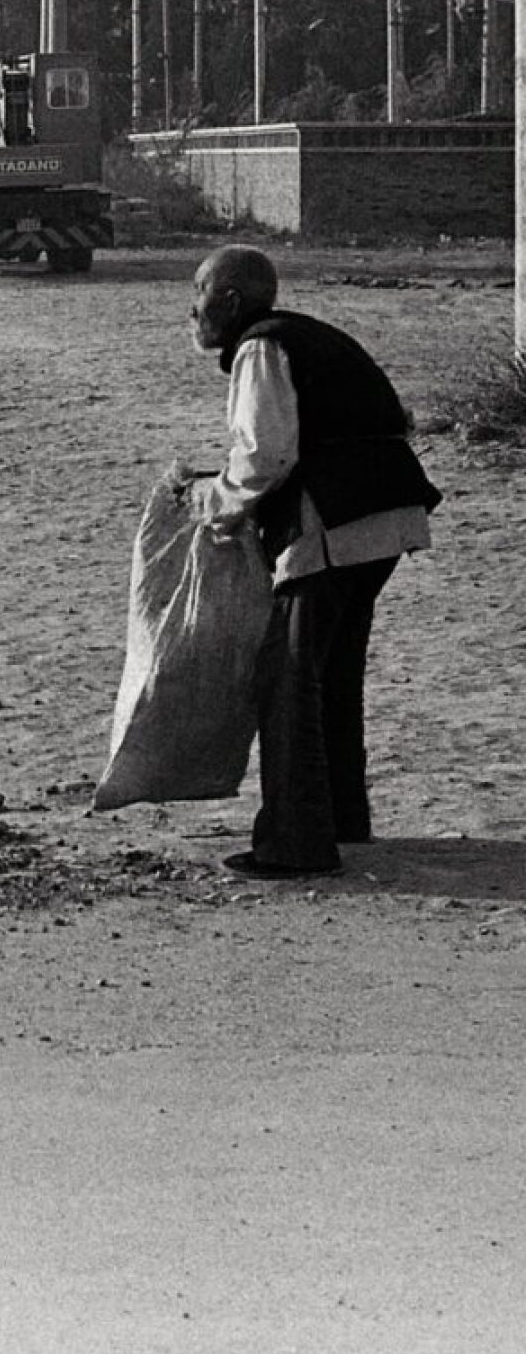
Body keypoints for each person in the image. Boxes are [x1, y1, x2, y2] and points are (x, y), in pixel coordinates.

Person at [182, 245, 441, 880]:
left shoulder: (260, 347)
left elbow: (266, 457)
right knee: (333, 670)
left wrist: (206, 498)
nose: (193, 307)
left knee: (288, 678)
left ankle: (295, 844)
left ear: (232, 301)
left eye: (200, 291)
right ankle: (344, 821)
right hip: (390, 513)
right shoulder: (307, 334)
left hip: (334, 522)